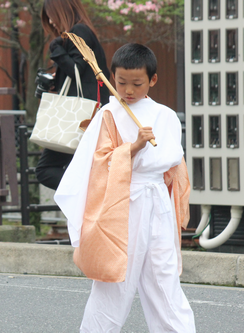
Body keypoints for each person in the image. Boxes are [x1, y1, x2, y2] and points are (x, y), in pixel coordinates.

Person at [54, 43, 196, 332]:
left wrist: (148, 156)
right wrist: (133, 148)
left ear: (152, 81)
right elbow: (99, 161)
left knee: (163, 278)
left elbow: (172, 162)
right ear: (111, 77)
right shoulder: (109, 114)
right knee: (113, 280)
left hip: (156, 201)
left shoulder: (165, 115)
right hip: (122, 203)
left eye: (137, 84)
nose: (128, 91)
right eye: (121, 83)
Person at [36, 0, 110, 190]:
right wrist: (55, 81)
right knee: (76, 165)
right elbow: (84, 74)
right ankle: (89, 194)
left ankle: (91, 191)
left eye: (51, 16)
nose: (51, 22)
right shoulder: (83, 31)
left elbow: (76, 69)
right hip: (86, 115)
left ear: (63, 10)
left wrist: (56, 49)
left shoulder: (78, 32)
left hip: (78, 118)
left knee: (45, 170)